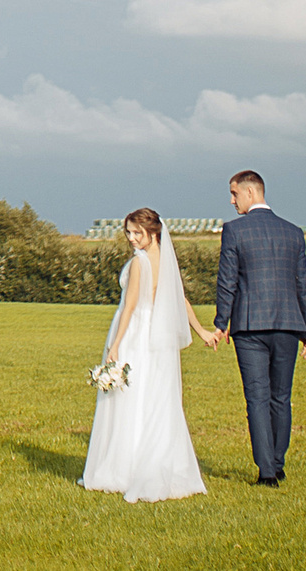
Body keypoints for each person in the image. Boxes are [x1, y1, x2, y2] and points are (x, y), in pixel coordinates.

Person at [78, 207, 215, 502]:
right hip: (158, 337)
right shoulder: (165, 261)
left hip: (136, 334)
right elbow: (180, 301)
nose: (131, 238)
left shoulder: (140, 262)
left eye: (137, 232)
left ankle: (124, 468)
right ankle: (152, 463)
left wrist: (115, 344)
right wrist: (202, 331)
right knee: (155, 397)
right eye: (128, 232)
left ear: (153, 232)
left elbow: (129, 306)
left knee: (130, 397)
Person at [205, 169, 306, 487]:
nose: (232, 200)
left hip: (249, 326)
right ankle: (277, 463)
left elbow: (227, 281)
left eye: (234, 193)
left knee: (257, 398)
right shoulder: (294, 233)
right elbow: (302, 285)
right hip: (288, 326)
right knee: (281, 397)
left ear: (250, 192)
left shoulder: (234, 231)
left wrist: (221, 323)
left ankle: (267, 472)